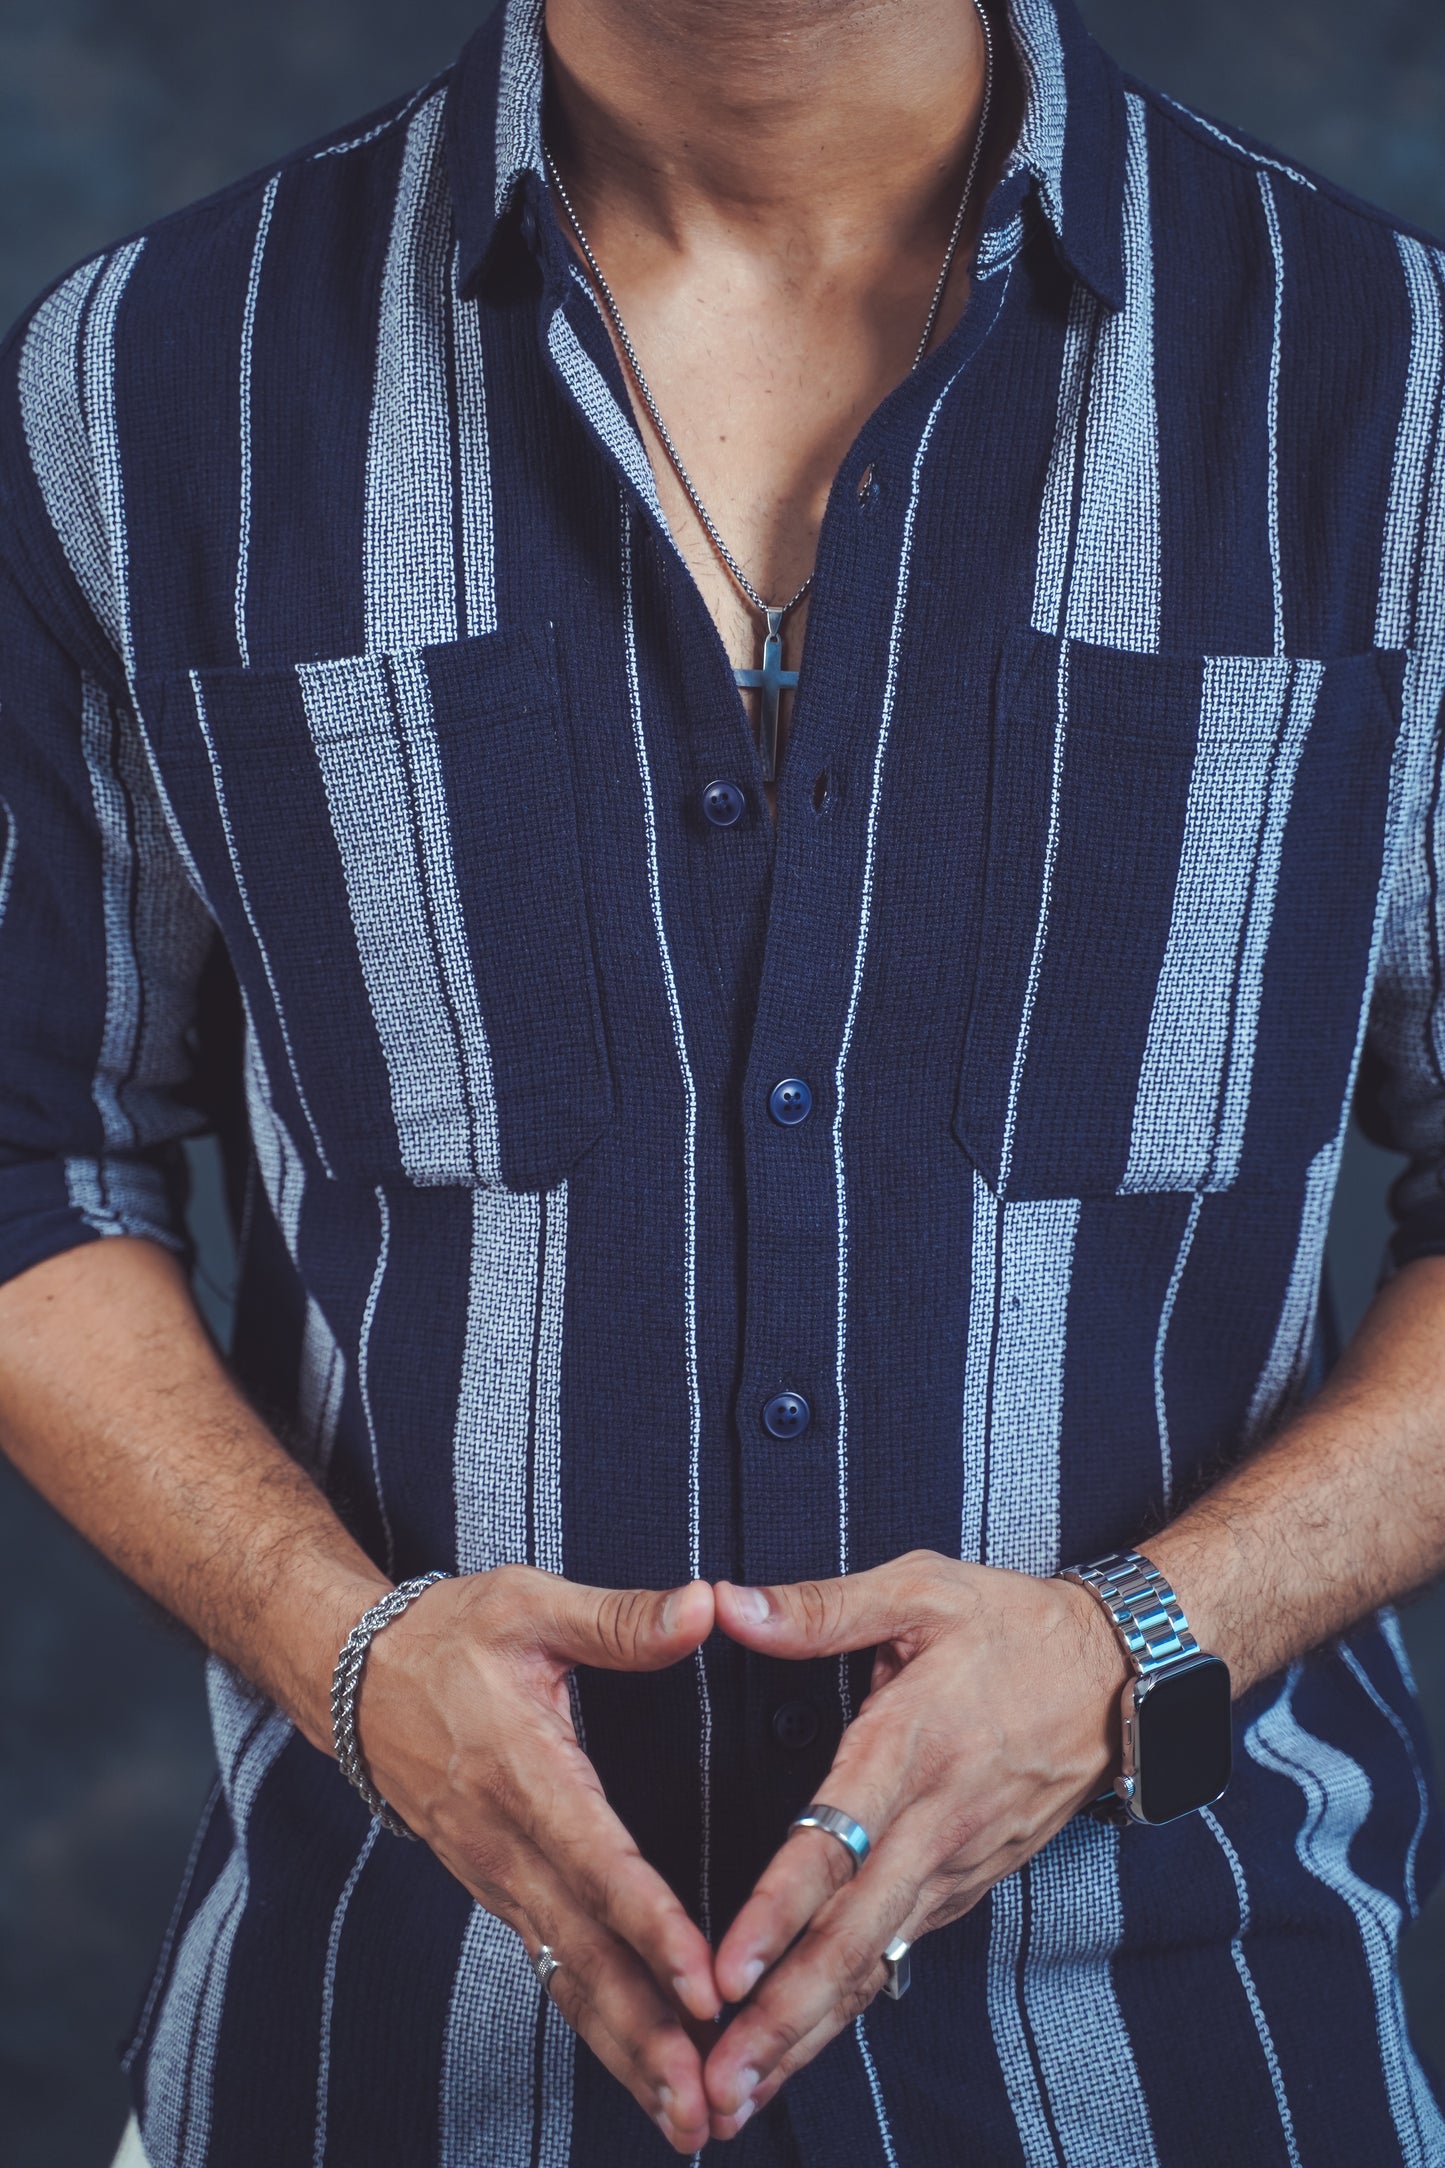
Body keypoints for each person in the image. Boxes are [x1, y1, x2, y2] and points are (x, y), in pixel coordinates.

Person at [2, 0, 1445, 2157]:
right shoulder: (144, 389)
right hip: (369, 2064)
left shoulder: (1393, 387)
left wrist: (1133, 1644)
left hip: (1193, 2048)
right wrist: (351, 1655)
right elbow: (32, 1164)